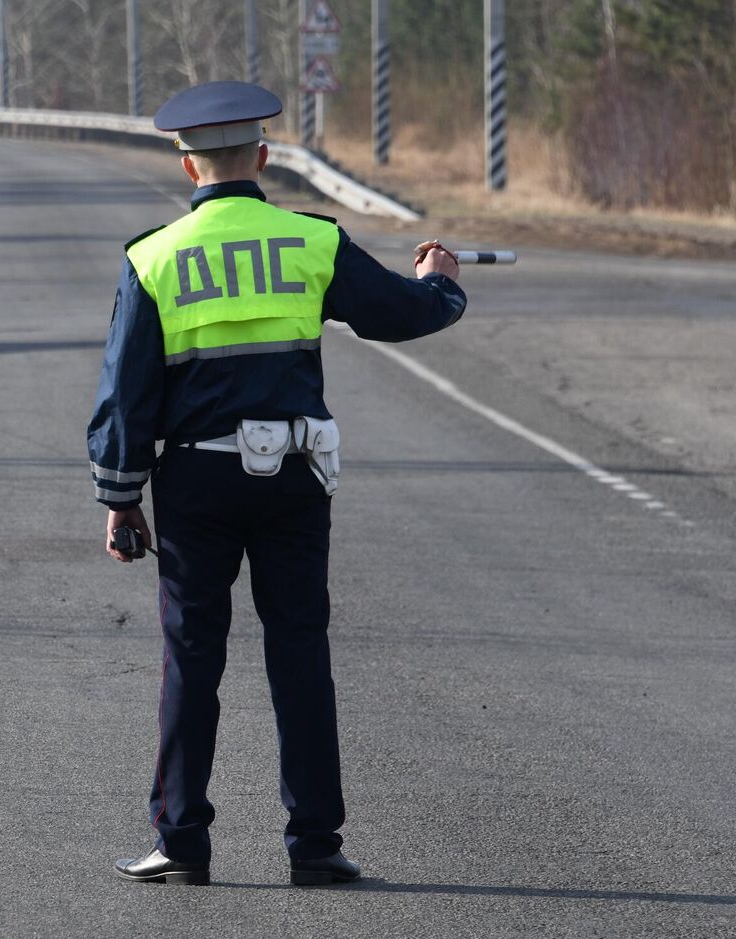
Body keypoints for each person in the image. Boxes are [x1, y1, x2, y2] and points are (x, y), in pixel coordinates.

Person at [87, 81, 467, 887]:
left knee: (193, 659)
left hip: (196, 480)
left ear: (188, 165)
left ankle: (182, 842)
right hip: (295, 477)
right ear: (262, 157)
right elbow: (402, 312)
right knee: (300, 654)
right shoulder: (311, 241)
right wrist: (441, 281)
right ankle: (316, 846)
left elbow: (126, 391)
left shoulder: (152, 257)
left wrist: (121, 499)